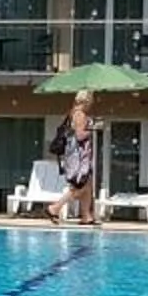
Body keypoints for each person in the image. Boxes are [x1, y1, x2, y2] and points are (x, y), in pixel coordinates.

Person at [52, 97, 100, 226]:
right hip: (79, 157)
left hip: (78, 155)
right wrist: (92, 130)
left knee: (88, 185)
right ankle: (55, 207)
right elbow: (79, 136)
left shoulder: (72, 113)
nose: (91, 105)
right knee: (81, 186)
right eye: (90, 102)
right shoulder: (80, 114)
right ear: (86, 102)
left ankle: (86, 216)